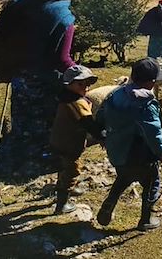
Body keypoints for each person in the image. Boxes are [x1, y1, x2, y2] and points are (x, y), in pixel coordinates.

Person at [0, 0, 80, 208]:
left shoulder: (23, 5)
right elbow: (62, 59)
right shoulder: (64, 18)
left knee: (20, 131)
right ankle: (62, 194)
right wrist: (80, 72)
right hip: (47, 85)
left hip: (20, 79)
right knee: (61, 134)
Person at [96, 58, 162, 231]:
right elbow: (153, 130)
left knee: (123, 178)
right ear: (152, 82)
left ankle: (109, 203)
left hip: (118, 152)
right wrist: (161, 151)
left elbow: (100, 116)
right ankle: (146, 219)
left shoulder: (116, 94)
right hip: (140, 154)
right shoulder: (145, 103)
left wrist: (103, 137)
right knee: (152, 183)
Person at [50, 65, 104, 215]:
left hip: (59, 139)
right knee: (72, 171)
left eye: (87, 84)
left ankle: (62, 187)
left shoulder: (64, 97)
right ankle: (63, 203)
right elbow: (88, 123)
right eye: (81, 84)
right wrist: (102, 135)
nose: (85, 87)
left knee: (63, 166)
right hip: (70, 143)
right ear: (69, 84)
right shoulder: (76, 103)